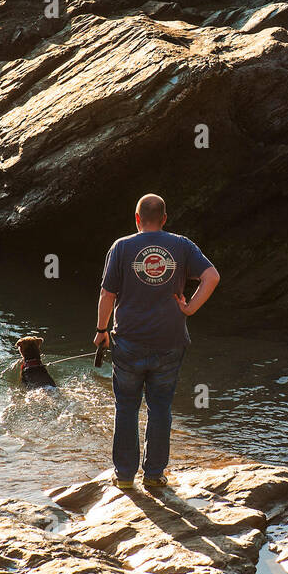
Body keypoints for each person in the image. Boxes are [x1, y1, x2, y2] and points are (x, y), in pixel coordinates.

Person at [95, 193, 220, 490]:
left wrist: (101, 330)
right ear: (164, 219)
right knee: (160, 407)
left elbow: (107, 294)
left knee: (126, 407)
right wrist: (190, 308)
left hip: (128, 341)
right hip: (170, 341)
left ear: (137, 219)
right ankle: (154, 475)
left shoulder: (121, 247)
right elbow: (212, 276)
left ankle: (124, 477)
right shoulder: (182, 245)